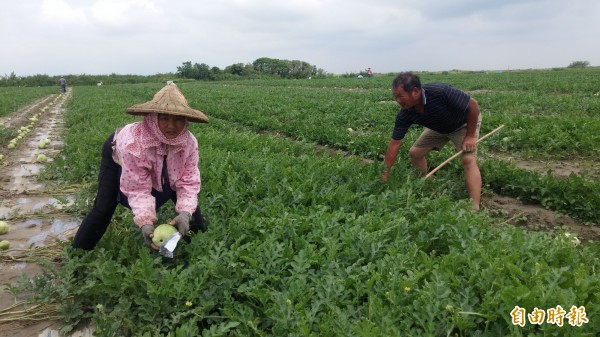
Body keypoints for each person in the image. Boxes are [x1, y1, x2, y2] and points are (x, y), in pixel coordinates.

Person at [72, 83, 209, 250]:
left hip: (168, 159)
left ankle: (198, 249)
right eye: (164, 118)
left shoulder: (188, 143)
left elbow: (188, 180)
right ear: (152, 117)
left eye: (178, 119)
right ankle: (78, 254)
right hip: (118, 155)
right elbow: (137, 187)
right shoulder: (134, 144)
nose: (171, 126)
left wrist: (186, 213)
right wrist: (145, 221)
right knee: (103, 207)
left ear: (186, 120)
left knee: (191, 211)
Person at [382, 72, 482, 211]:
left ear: (415, 91)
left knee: (468, 160)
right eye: (395, 97)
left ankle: (474, 207)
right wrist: (385, 173)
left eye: (400, 96)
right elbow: (395, 143)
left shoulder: (440, 92)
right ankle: (423, 182)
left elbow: (473, 106)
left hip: (463, 124)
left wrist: (470, 136)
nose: (398, 100)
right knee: (415, 153)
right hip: (439, 127)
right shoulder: (405, 113)